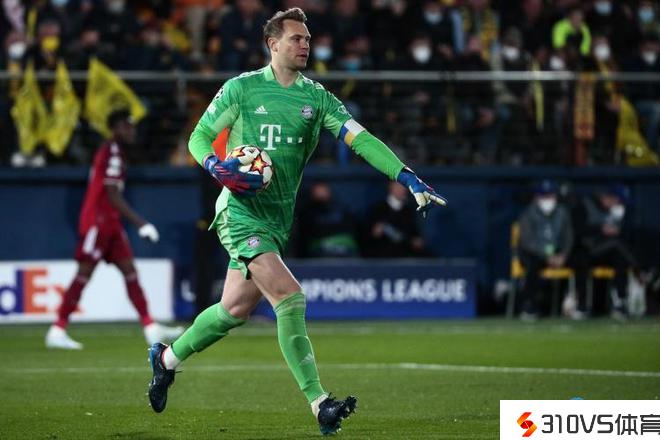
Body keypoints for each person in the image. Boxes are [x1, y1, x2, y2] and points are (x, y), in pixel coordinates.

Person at [146, 7, 446, 436]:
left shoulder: (317, 99)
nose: (305, 45)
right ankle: (320, 403)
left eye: (307, 39)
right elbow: (199, 136)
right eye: (296, 38)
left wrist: (405, 175)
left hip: (276, 222)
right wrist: (216, 166)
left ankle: (166, 359)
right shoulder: (241, 89)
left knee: (233, 310)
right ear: (273, 44)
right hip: (240, 213)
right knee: (290, 297)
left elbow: (360, 139)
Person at [45, 110, 184, 350]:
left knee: (130, 273)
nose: (131, 131)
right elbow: (112, 194)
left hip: (111, 223)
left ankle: (150, 327)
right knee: (83, 275)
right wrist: (141, 223)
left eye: (132, 126)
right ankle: (57, 330)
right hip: (98, 224)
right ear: (114, 129)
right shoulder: (112, 152)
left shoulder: (115, 152)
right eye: (126, 127)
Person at [572, 185, 642, 319]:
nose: (619, 204)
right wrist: (601, 229)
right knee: (585, 259)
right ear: (607, 197)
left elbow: (625, 236)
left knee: (620, 257)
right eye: (617, 201)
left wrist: (616, 228)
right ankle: (581, 305)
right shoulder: (584, 206)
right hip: (586, 250)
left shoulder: (617, 212)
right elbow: (579, 231)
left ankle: (620, 303)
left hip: (606, 251)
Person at [517, 180, 573, 320]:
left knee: (581, 259)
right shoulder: (528, 213)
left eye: (550, 195)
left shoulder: (563, 213)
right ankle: (529, 306)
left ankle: (577, 305)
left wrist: (563, 255)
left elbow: (569, 237)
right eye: (544, 196)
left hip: (558, 254)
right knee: (532, 264)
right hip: (535, 254)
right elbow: (527, 242)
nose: (547, 199)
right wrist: (546, 256)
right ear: (537, 197)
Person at [364, 181, 429, 258]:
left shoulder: (410, 211)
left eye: (404, 186)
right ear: (391, 187)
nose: (402, 189)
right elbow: (369, 237)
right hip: (382, 256)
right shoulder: (378, 210)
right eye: (398, 186)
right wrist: (375, 232)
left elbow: (415, 237)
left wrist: (416, 241)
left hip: (405, 256)